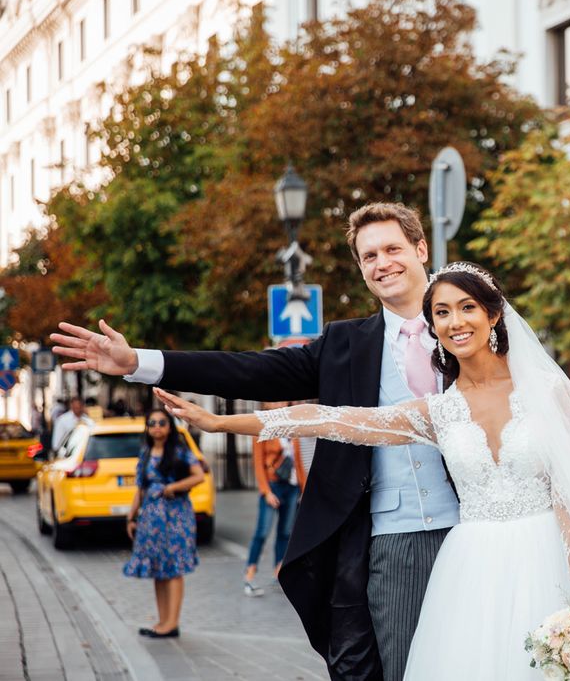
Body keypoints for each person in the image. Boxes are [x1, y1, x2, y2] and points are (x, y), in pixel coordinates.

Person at [155, 261, 570, 681]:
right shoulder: (438, 410)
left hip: (548, 561)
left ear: (494, 315)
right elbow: (330, 420)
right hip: (471, 569)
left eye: (467, 307)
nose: (456, 322)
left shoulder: (547, 392)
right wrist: (221, 421)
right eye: (442, 313)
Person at [51, 203, 454, 680]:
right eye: (369, 256)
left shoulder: (471, 327)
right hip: (385, 542)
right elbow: (250, 369)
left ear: (421, 248)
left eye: (392, 249)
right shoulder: (344, 345)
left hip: (470, 529)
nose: (382, 263)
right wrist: (141, 361)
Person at [124, 408, 205, 638]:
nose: (157, 427)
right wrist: (131, 517)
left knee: (174, 568)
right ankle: (161, 622)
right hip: (151, 518)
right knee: (158, 569)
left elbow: (198, 475)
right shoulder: (146, 453)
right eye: (152, 423)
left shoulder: (179, 451)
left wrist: (172, 487)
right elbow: (140, 489)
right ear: (148, 428)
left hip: (177, 516)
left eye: (162, 422)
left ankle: (172, 623)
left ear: (169, 427)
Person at [244, 401, 308, 597]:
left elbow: (298, 461)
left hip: (291, 486)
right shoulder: (261, 426)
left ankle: (279, 573)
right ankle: (249, 575)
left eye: (281, 399)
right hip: (273, 486)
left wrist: (304, 489)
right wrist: (266, 491)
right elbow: (258, 463)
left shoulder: (292, 425)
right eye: (274, 400)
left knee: (285, 532)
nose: (279, 402)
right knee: (262, 532)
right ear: (265, 404)